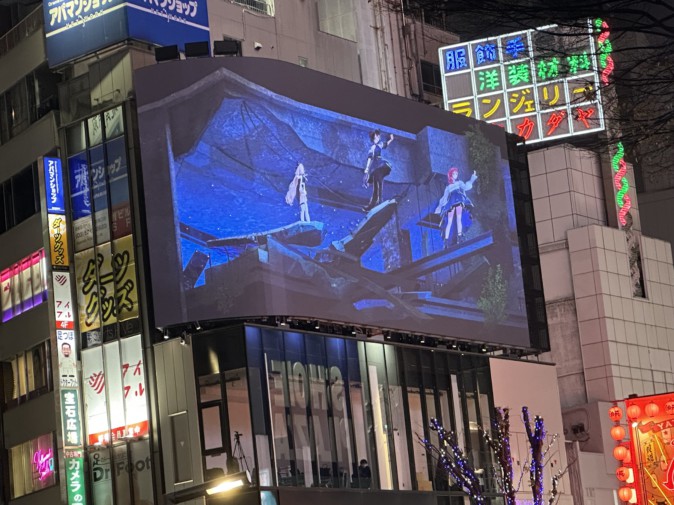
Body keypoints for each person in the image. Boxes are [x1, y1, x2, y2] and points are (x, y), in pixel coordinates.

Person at [435, 167, 478, 248]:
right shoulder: (448, 187)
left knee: (458, 218)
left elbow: (466, 187)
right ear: (450, 175)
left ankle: (460, 236)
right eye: (454, 173)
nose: (455, 175)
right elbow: (444, 197)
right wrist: (439, 207)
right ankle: (446, 240)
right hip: (451, 203)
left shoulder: (459, 183)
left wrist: (472, 178)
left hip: (458, 201)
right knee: (449, 221)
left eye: (456, 173)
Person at [363, 130, 394, 212]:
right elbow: (369, 159)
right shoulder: (373, 147)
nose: (379, 137)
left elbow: (386, 144)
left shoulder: (379, 145)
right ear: (374, 137)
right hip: (376, 167)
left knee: (379, 183)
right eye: (377, 136)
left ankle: (377, 202)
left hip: (380, 166)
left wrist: (391, 139)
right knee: (377, 185)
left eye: (379, 136)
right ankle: (376, 203)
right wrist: (366, 171)